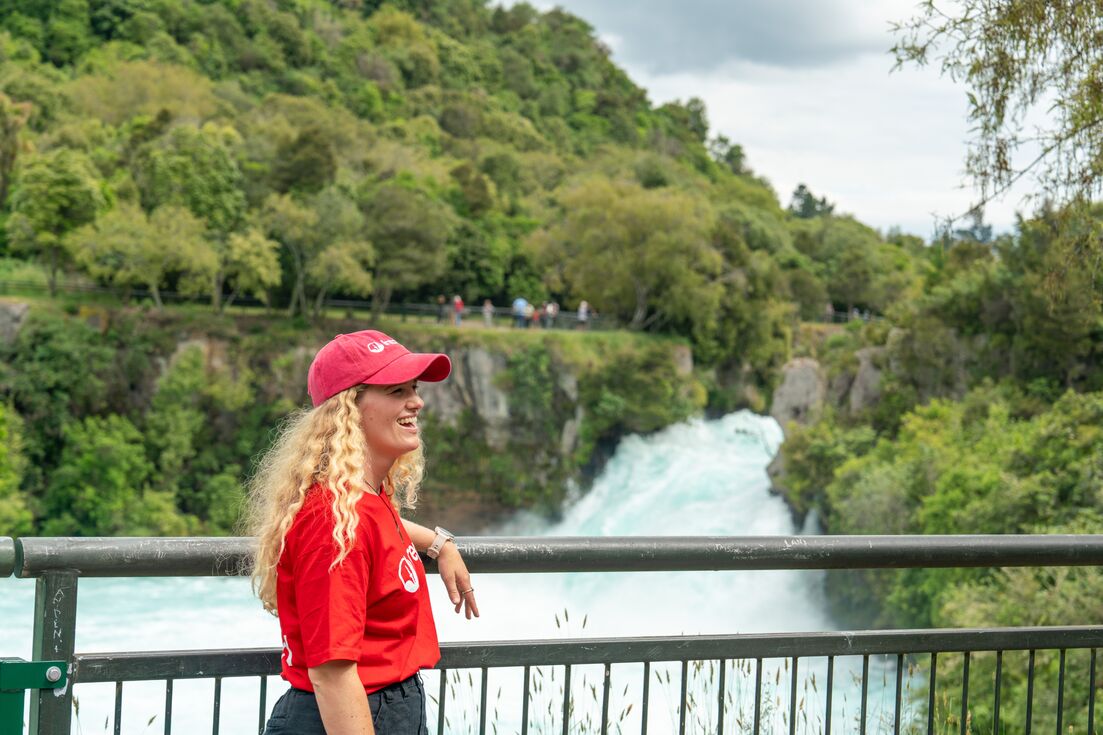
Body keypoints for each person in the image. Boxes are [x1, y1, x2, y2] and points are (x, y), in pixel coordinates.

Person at [248, 330, 480, 735]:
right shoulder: (333, 523)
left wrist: (440, 544)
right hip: (349, 715)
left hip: (389, 706)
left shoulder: (361, 501)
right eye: (396, 391)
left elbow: (381, 529)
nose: (417, 401)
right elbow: (333, 675)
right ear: (348, 410)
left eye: (414, 388)